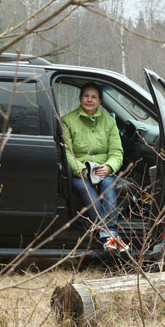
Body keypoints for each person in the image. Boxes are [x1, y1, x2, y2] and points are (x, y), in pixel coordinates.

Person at [61, 82, 129, 253]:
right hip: (80, 173)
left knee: (109, 186)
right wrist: (81, 170)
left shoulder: (109, 122)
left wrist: (108, 167)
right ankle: (110, 234)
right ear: (80, 98)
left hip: (103, 170)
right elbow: (67, 153)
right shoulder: (68, 121)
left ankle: (108, 233)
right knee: (86, 189)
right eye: (86, 96)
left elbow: (117, 152)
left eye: (93, 97)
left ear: (99, 101)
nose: (89, 100)